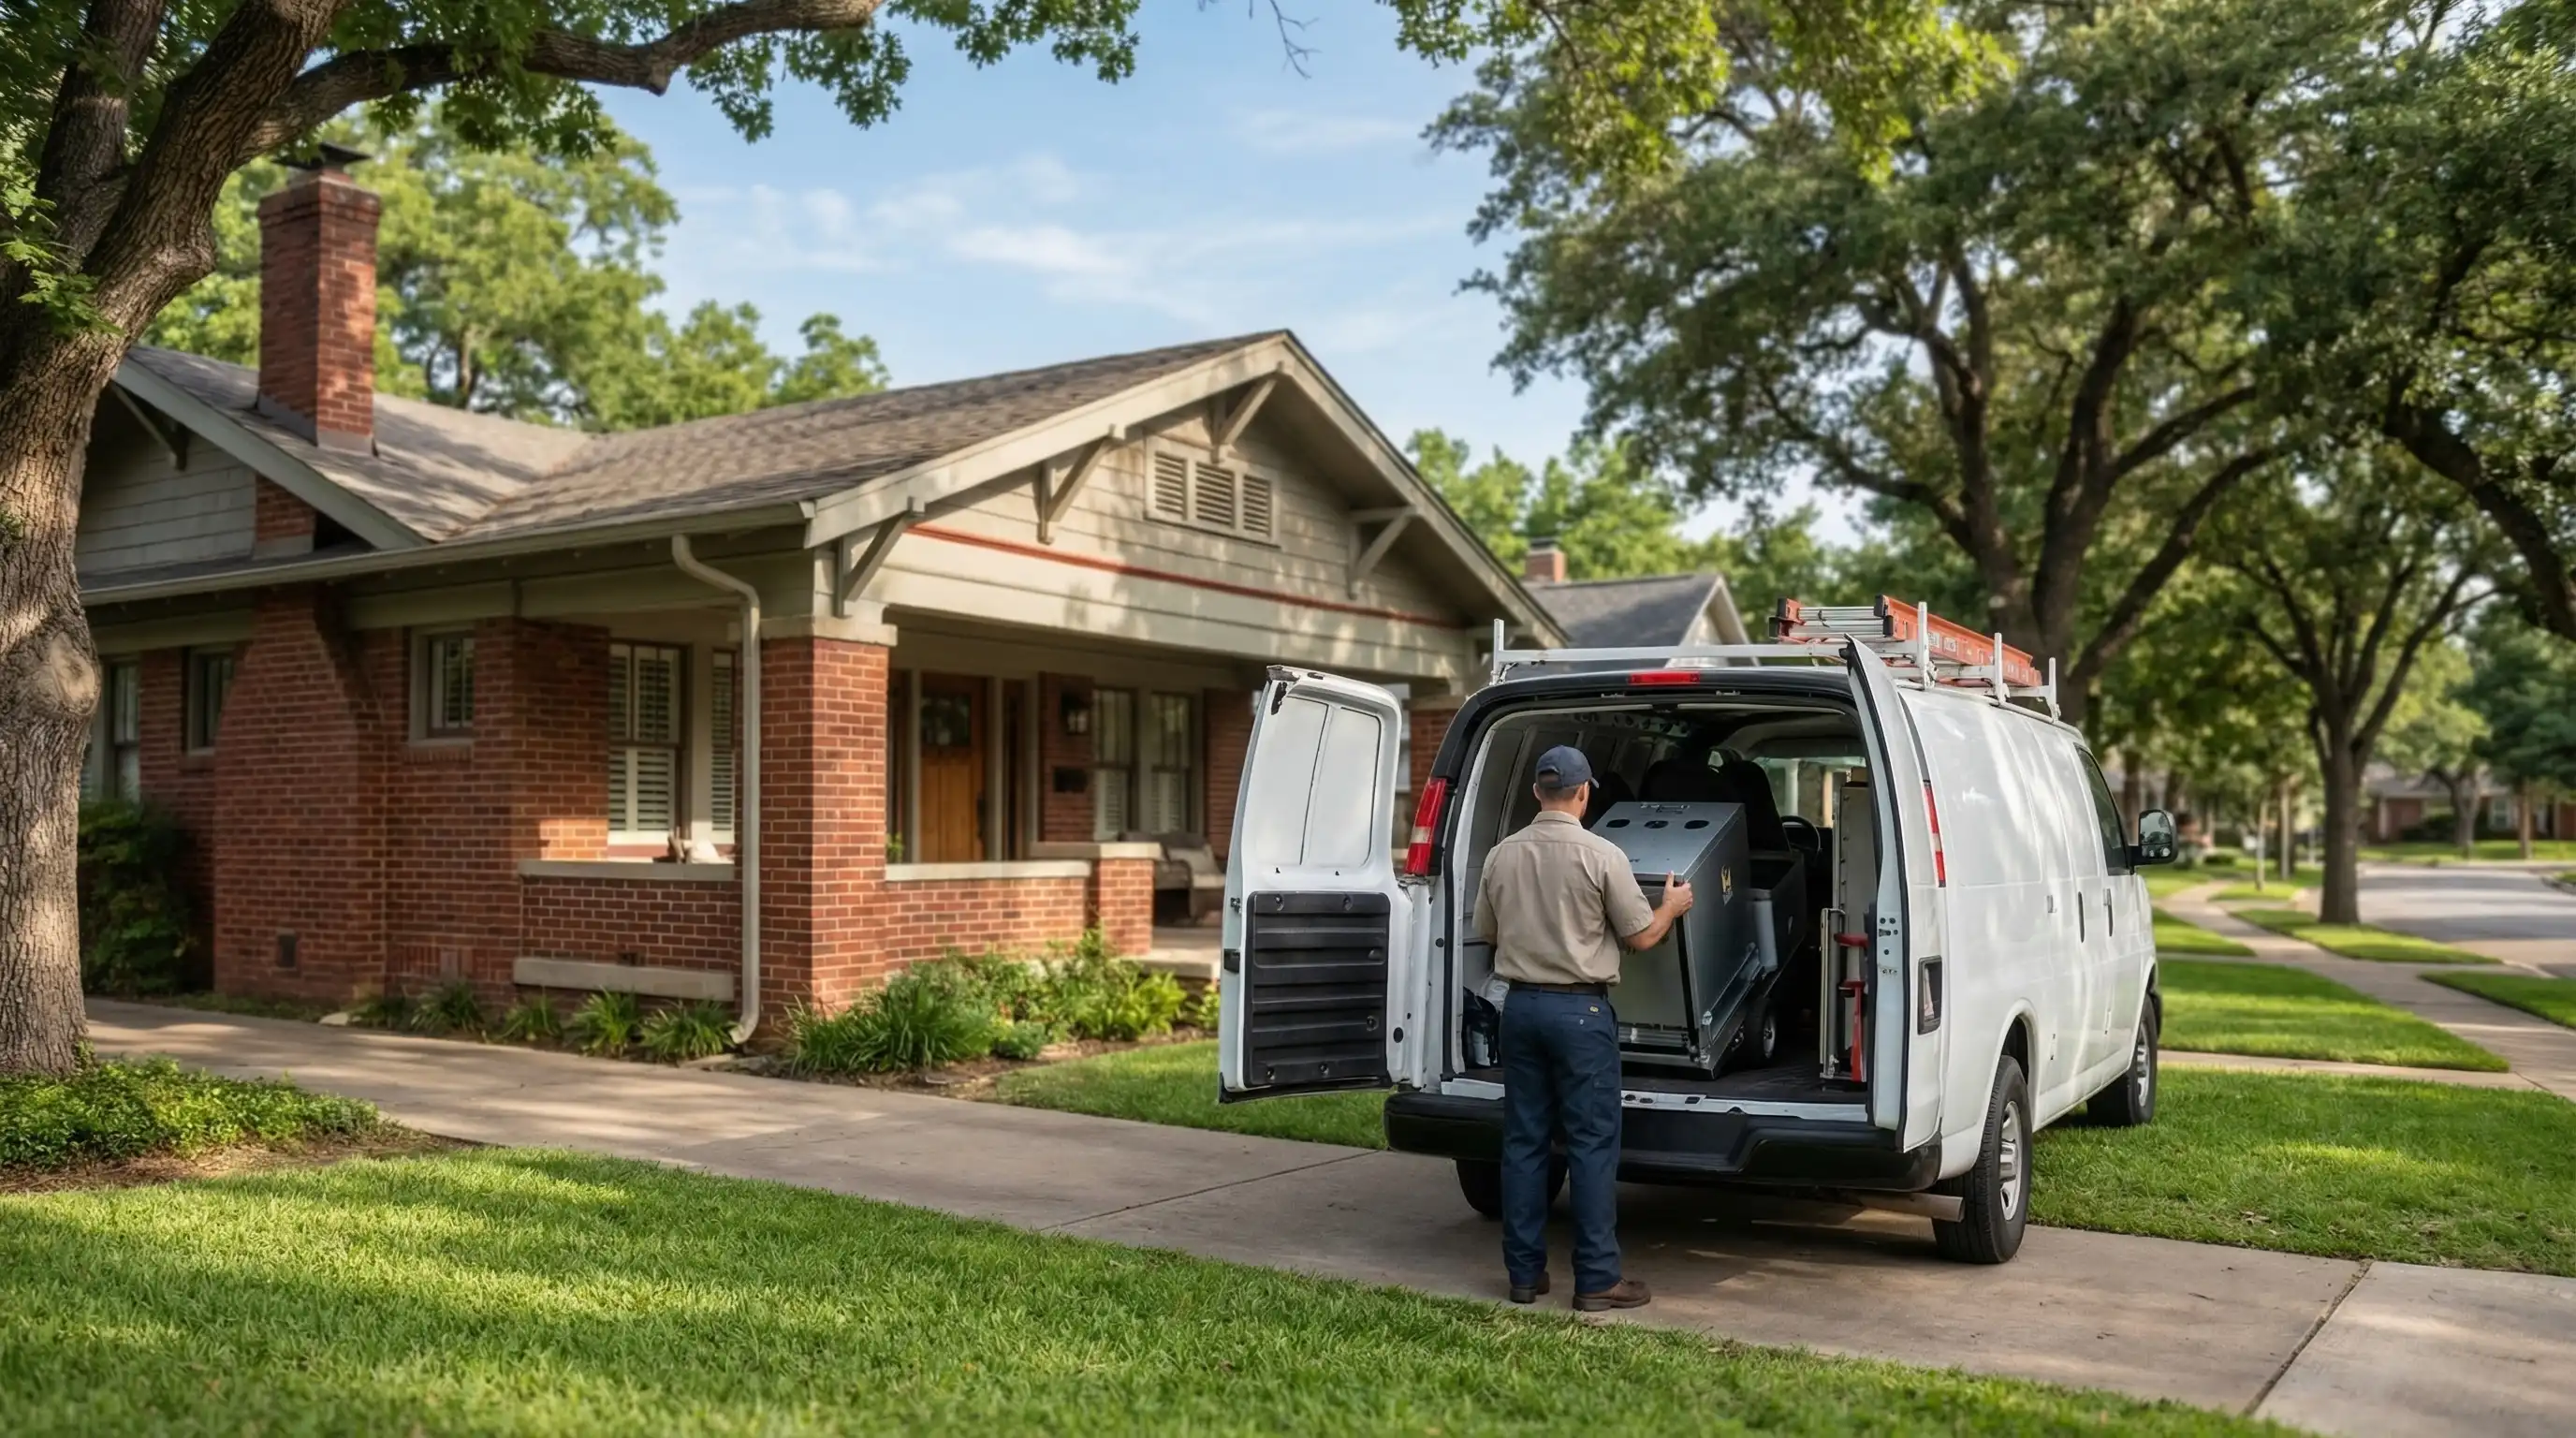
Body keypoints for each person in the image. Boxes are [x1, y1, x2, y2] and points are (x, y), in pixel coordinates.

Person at [1473, 744, 1693, 1312]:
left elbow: (1489, 933)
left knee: (1524, 1142)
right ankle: (1596, 1279)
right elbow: (1642, 937)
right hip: (1580, 1014)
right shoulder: (1602, 855)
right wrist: (1671, 906)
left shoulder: (1501, 855)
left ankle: (1524, 1277)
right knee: (1591, 1145)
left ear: (1535, 792)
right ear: (1584, 791)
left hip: (1518, 1010)